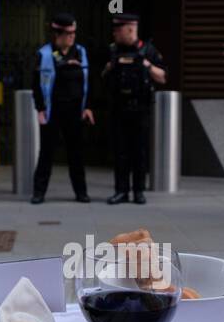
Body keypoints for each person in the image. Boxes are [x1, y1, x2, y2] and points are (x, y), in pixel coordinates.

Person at [102, 13, 165, 205]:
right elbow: (102, 76)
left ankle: (139, 191)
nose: (115, 33)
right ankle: (121, 191)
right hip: (119, 108)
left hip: (141, 109)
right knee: (120, 152)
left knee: (139, 152)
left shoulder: (147, 50)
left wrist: (146, 65)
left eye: (118, 30)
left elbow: (162, 76)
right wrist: (109, 67)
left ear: (130, 29)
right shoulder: (112, 51)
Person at [30, 13, 93, 203]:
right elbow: (36, 84)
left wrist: (88, 107)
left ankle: (81, 193)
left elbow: (89, 82)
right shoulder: (45, 54)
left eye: (74, 33)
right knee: (46, 153)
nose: (72, 37)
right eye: (68, 34)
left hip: (75, 111)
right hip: (52, 111)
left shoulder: (80, 52)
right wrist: (40, 109)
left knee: (76, 153)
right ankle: (39, 193)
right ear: (57, 34)